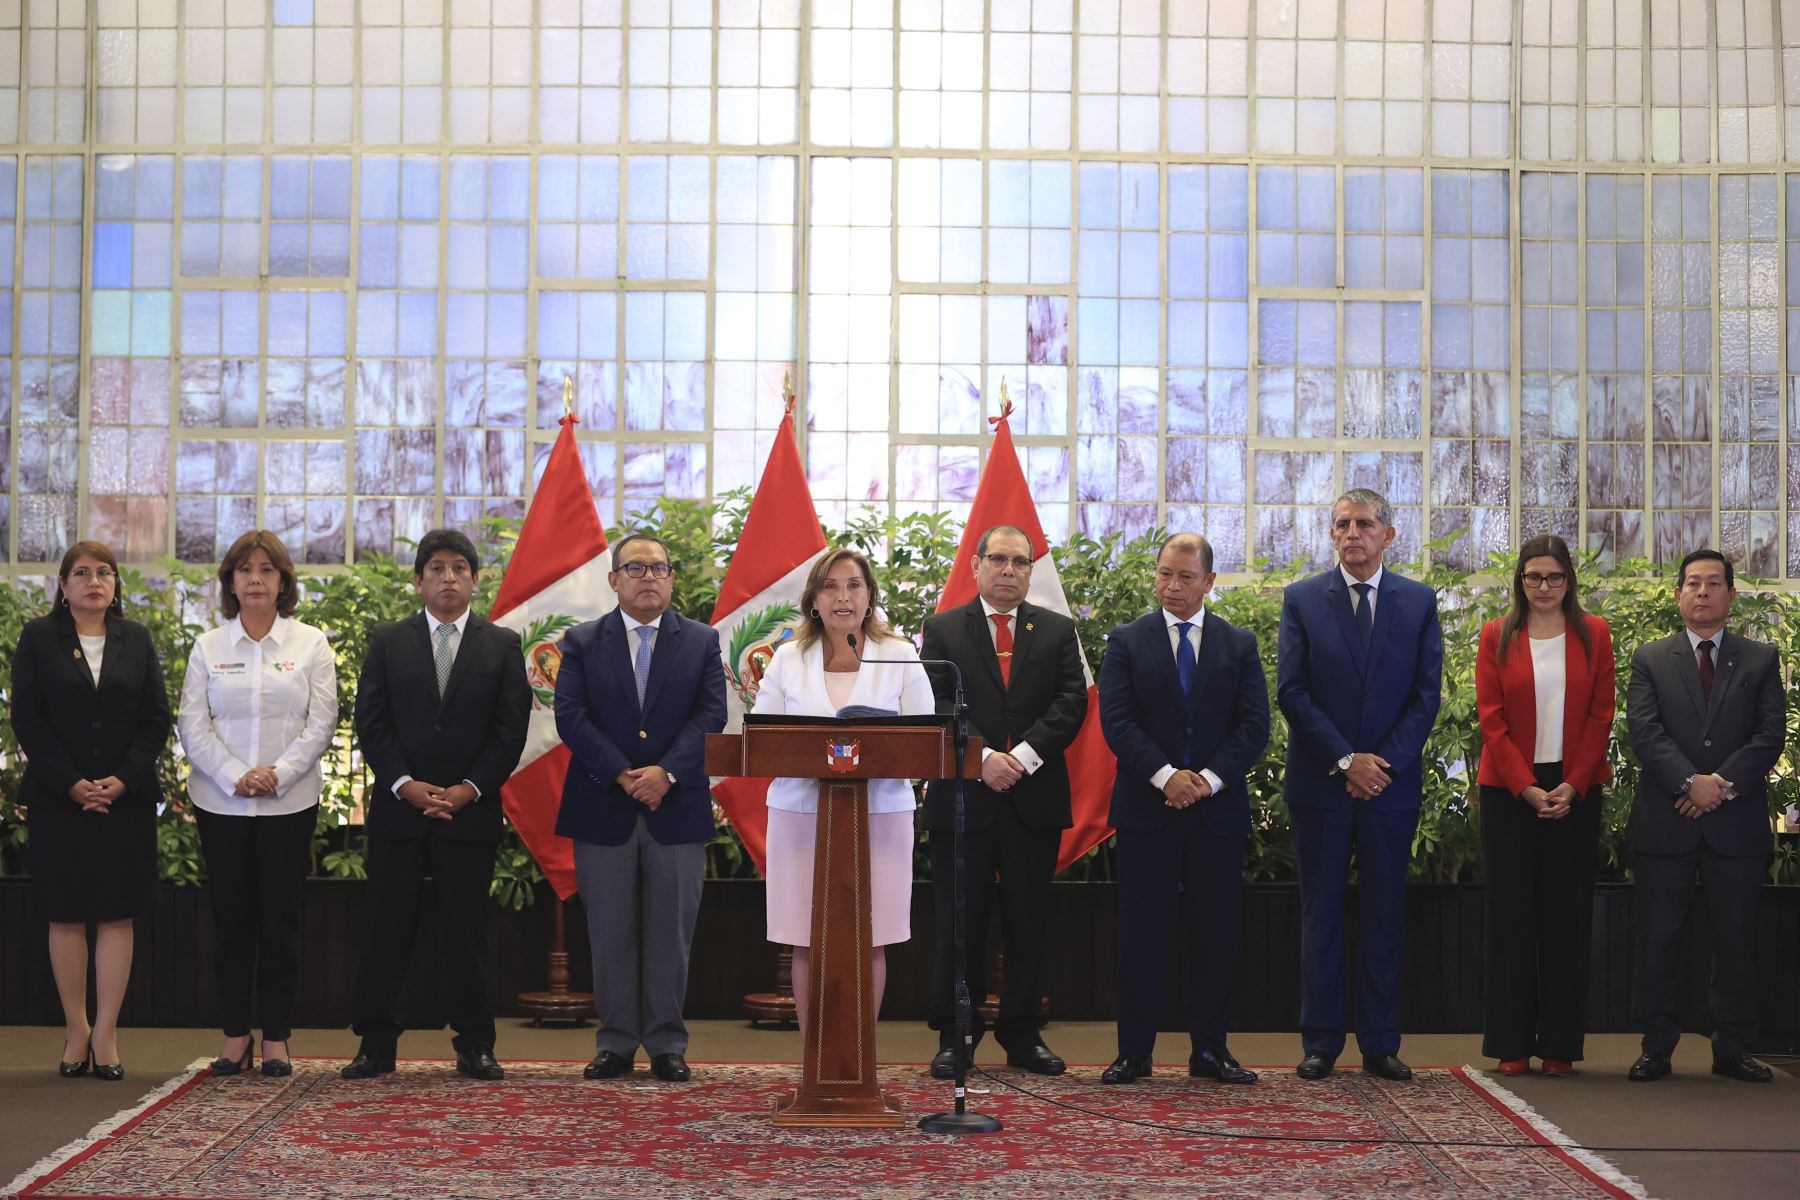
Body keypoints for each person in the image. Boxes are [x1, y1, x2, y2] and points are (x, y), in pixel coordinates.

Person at [341, 529, 531, 1082]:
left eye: (459, 568)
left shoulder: (501, 644)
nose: (448, 578)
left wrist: (470, 788)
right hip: (401, 811)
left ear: (476, 579)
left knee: (467, 932)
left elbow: (509, 730)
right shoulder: (387, 640)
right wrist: (404, 783)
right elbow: (370, 723)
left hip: (469, 812)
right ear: (418, 579)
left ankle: (475, 1043)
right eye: (437, 568)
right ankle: (375, 1043)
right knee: (386, 928)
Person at [1276, 488, 1442, 1081]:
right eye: (1342, 524)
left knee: (1383, 914)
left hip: (1389, 790)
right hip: (1321, 785)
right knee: (1321, 915)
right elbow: (1291, 692)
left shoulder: (1419, 601)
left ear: (1388, 535)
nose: (1352, 534)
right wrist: (1348, 761)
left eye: (1364, 524)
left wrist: (1381, 765)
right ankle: (1320, 1041)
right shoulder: (1301, 599)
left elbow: (1427, 696)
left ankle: (1379, 1042)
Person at [1096, 533, 1270, 1085]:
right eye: (1164, 574)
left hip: (1216, 815)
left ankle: (1210, 1051)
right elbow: (1117, 722)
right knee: (1141, 935)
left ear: (1209, 582)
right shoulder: (1126, 640)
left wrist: (1209, 781)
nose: (1172, 586)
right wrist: (1167, 776)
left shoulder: (1238, 644)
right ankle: (1134, 1053)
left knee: (1215, 936)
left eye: (1185, 577)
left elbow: (1253, 727)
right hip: (1149, 809)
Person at [553, 533, 727, 1083]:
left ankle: (668, 1044)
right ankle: (617, 1042)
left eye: (658, 569)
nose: (648, 577)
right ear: (614, 580)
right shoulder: (581, 641)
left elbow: (711, 715)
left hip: (676, 806)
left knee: (671, 932)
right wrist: (623, 774)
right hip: (604, 803)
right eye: (635, 568)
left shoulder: (701, 641)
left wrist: (666, 772)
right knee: (610, 931)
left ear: (672, 580)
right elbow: (571, 716)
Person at [920, 524, 1088, 1079]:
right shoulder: (942, 629)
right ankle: (956, 1035)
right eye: (998, 559)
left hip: (1033, 796)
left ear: (1030, 570)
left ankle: (1022, 1033)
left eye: (1020, 562)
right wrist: (985, 756)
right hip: (964, 797)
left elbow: (1070, 703)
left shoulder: (1059, 630)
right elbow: (938, 703)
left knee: (1027, 920)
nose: (1008, 570)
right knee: (959, 921)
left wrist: (1025, 757)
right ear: (976, 564)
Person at [752, 547, 937, 1040]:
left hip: (880, 815)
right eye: (831, 586)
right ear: (813, 600)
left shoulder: (898, 653)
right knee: (805, 940)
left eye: (854, 585)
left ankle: (857, 1060)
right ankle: (817, 1060)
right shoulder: (788, 659)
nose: (843, 597)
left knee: (870, 940)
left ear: (870, 596)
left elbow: (926, 742)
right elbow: (762, 741)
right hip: (799, 815)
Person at [178, 530, 339, 1078]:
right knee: (231, 922)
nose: (255, 579)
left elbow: (322, 721)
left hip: (288, 803)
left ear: (283, 582)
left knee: (279, 920)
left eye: (267, 570)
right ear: (230, 582)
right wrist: (233, 775)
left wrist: (279, 773)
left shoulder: (310, 644)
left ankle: (275, 1037)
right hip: (220, 804)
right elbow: (192, 726)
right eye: (244, 570)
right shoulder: (209, 647)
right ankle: (233, 1036)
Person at [1624, 549, 1784, 1084]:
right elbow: (1644, 734)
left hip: (1734, 825)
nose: (1703, 593)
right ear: (1678, 594)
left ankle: (1733, 1047)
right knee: (1657, 938)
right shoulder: (1650, 657)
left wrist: (1720, 787)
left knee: (1736, 940)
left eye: (1714, 584)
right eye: (1693, 583)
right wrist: (1691, 783)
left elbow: (1769, 736)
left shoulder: (1760, 658)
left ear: (1731, 595)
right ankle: (1656, 1045)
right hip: (1666, 819)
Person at [15, 540, 171, 1081]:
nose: (93, 581)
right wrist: (73, 783)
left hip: (123, 801)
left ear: (115, 584)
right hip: (60, 800)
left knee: (115, 913)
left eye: (104, 572)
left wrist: (122, 780)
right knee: (65, 913)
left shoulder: (137, 639)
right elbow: (27, 720)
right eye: (81, 573)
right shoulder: (39, 638)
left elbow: (156, 719)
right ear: (62, 586)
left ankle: (105, 1032)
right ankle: (75, 1029)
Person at [1474, 534, 1613, 1077]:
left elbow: (1602, 715)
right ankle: (1510, 1043)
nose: (1544, 587)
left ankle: (1559, 1044)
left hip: (1576, 789)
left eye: (1555, 577)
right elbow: (1491, 720)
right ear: (1520, 581)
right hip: (1510, 790)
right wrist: (1525, 786)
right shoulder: (1496, 635)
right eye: (1534, 577)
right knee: (1511, 918)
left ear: (1569, 581)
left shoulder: (1594, 633)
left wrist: (1574, 785)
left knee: (1567, 918)